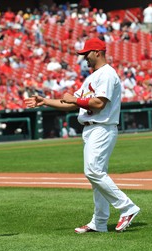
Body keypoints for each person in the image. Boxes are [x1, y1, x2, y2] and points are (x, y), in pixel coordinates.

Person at [24, 37, 140, 233]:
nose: (84, 58)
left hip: (102, 127)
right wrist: (45, 101)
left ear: (98, 52)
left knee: (93, 171)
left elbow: (98, 103)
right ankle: (100, 222)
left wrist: (75, 100)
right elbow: (69, 103)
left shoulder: (107, 74)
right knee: (97, 178)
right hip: (91, 128)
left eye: (86, 53)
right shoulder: (92, 77)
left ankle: (127, 208)